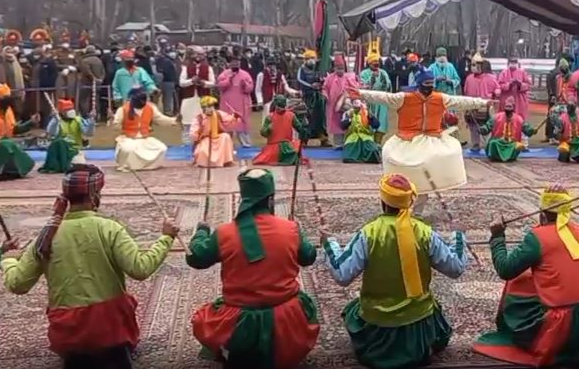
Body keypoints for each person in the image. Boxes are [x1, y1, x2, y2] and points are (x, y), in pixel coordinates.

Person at [2, 164, 178, 368]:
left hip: (68, 335)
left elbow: (17, 284)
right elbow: (141, 269)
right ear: (95, 196)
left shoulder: (46, 237)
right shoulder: (109, 228)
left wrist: (9, 258)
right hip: (111, 329)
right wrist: (166, 237)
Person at [323, 174, 468, 369]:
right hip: (417, 327)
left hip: (378, 326)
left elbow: (342, 273)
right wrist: (458, 236)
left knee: (353, 310)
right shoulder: (424, 232)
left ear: (382, 202)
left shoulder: (370, 233)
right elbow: (456, 267)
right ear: (409, 202)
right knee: (433, 307)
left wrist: (329, 243)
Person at [187, 168, 319, 368]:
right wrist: (298, 232)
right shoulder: (290, 229)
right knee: (305, 304)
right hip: (288, 321)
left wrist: (201, 233)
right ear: (271, 198)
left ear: (244, 197)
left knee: (202, 319)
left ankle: (230, 350)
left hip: (240, 323)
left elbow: (196, 258)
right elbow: (309, 257)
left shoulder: (224, 233)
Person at [473, 183, 579, 366]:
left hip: (559, 329)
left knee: (516, 281)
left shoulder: (537, 237)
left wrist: (497, 237)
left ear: (542, 213)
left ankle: (516, 330)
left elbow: (505, 269)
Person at [352, 68, 492, 195]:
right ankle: (400, 199)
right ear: (419, 84)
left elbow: (461, 101)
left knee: (442, 159)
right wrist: (360, 93)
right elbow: (383, 97)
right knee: (398, 165)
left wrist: (483, 102)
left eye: (432, 84)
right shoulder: (404, 98)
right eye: (426, 84)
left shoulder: (440, 98)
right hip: (407, 139)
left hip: (432, 139)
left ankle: (420, 205)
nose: (429, 87)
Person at [111, 87, 178, 172]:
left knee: (162, 148)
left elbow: (160, 119)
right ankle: (128, 166)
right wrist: (113, 120)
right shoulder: (122, 109)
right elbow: (116, 126)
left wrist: (174, 120)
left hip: (145, 138)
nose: (143, 102)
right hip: (129, 138)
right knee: (128, 149)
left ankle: (149, 166)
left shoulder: (150, 108)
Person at [0, 83, 38, 179]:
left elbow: (14, 129)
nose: (8, 99)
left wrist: (30, 122)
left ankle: (11, 172)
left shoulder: (9, 111)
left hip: (5, 144)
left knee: (8, 145)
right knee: (7, 145)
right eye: (5, 97)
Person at [40, 99, 95, 174]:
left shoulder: (78, 120)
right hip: (60, 151)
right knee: (59, 142)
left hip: (74, 150)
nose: (71, 111)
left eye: (71, 109)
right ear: (61, 112)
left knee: (79, 165)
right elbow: (51, 133)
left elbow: (89, 134)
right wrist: (55, 120)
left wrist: (91, 122)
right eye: (67, 110)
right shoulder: (57, 120)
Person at [479, 97, 536, 163]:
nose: (508, 108)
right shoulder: (497, 117)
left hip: (512, 142)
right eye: (507, 106)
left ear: (513, 108)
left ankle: (510, 158)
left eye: (510, 106)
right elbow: (488, 126)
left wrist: (532, 130)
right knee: (493, 143)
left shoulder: (518, 119)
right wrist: (484, 129)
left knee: (518, 145)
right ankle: (495, 157)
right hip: (498, 141)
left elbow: (527, 128)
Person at [253, 95, 306, 166]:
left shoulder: (291, 115)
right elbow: (263, 133)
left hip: (287, 146)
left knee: (296, 148)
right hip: (274, 147)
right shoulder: (270, 117)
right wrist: (268, 128)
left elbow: (300, 129)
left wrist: (304, 123)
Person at [179, 47, 216, 144]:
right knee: (187, 122)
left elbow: (212, 83)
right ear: (192, 55)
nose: (198, 56)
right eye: (196, 54)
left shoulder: (209, 68)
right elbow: (181, 82)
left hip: (203, 99)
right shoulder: (186, 68)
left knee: (204, 121)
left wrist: (204, 83)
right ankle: (186, 144)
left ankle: (203, 142)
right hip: (189, 98)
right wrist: (191, 81)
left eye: (201, 54)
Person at [463, 52, 499, 153]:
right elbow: (466, 92)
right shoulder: (469, 78)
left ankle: (489, 144)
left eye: (475, 65)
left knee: (488, 126)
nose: (473, 67)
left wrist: (497, 92)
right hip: (472, 105)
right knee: (473, 126)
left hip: (486, 106)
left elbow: (497, 89)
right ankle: (475, 144)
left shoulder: (491, 78)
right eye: (472, 65)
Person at [190, 96, 239, 168]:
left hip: (218, 137)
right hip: (205, 139)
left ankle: (227, 161)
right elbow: (193, 134)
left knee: (226, 136)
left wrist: (234, 117)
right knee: (203, 152)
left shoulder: (218, 113)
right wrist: (198, 132)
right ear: (203, 108)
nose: (211, 109)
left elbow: (228, 121)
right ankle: (205, 162)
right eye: (209, 107)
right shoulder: (199, 118)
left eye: (212, 106)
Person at [217, 58, 254, 148]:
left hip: (241, 103)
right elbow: (220, 86)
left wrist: (245, 84)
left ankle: (245, 143)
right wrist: (229, 79)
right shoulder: (224, 74)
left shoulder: (245, 74)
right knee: (227, 124)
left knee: (241, 124)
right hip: (227, 104)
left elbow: (250, 88)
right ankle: (226, 143)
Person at [323, 56, 359, 149]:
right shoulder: (330, 78)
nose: (340, 70)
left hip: (346, 106)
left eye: (342, 68)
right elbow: (325, 89)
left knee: (346, 123)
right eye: (338, 68)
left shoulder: (348, 77)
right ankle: (338, 144)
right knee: (336, 126)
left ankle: (347, 144)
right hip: (333, 106)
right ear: (334, 68)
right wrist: (325, 96)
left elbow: (355, 87)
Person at [497, 57, 533, 146]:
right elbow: (500, 85)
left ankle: (524, 142)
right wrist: (509, 85)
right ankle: (505, 140)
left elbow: (529, 85)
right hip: (507, 100)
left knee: (521, 120)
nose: (513, 64)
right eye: (511, 62)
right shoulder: (503, 73)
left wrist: (520, 84)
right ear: (508, 63)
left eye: (514, 62)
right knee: (506, 119)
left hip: (520, 100)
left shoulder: (522, 72)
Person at [360, 53, 392, 142]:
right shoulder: (364, 73)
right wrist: (372, 79)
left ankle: (378, 144)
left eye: (377, 61)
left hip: (381, 102)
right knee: (369, 123)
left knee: (381, 124)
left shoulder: (383, 72)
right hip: (370, 102)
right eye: (374, 62)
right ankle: (369, 143)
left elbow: (388, 85)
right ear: (369, 63)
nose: (376, 63)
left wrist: (384, 80)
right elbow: (363, 86)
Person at [297, 50, 327, 143]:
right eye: (308, 58)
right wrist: (311, 86)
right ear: (305, 60)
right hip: (308, 97)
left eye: (312, 58)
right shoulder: (301, 69)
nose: (311, 60)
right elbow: (299, 80)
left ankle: (323, 137)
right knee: (307, 117)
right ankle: (304, 138)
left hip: (318, 96)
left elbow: (324, 79)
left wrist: (321, 82)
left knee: (321, 117)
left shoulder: (318, 68)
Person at [342, 99, 381, 164]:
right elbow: (343, 126)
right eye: (355, 102)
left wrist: (370, 116)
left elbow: (376, 125)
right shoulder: (348, 113)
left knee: (373, 152)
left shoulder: (367, 113)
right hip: (352, 137)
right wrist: (349, 118)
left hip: (366, 137)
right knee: (347, 157)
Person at [77, 45, 105, 119]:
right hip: (98, 83)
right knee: (95, 99)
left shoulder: (85, 61)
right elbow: (103, 71)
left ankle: (86, 116)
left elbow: (87, 72)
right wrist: (100, 79)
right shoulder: (99, 60)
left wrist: (93, 79)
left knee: (83, 100)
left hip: (86, 83)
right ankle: (96, 116)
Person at [155, 49, 179, 116]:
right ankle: (167, 111)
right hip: (168, 81)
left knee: (163, 98)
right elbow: (168, 72)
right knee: (167, 98)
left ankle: (163, 111)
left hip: (165, 81)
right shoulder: (167, 61)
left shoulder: (164, 60)